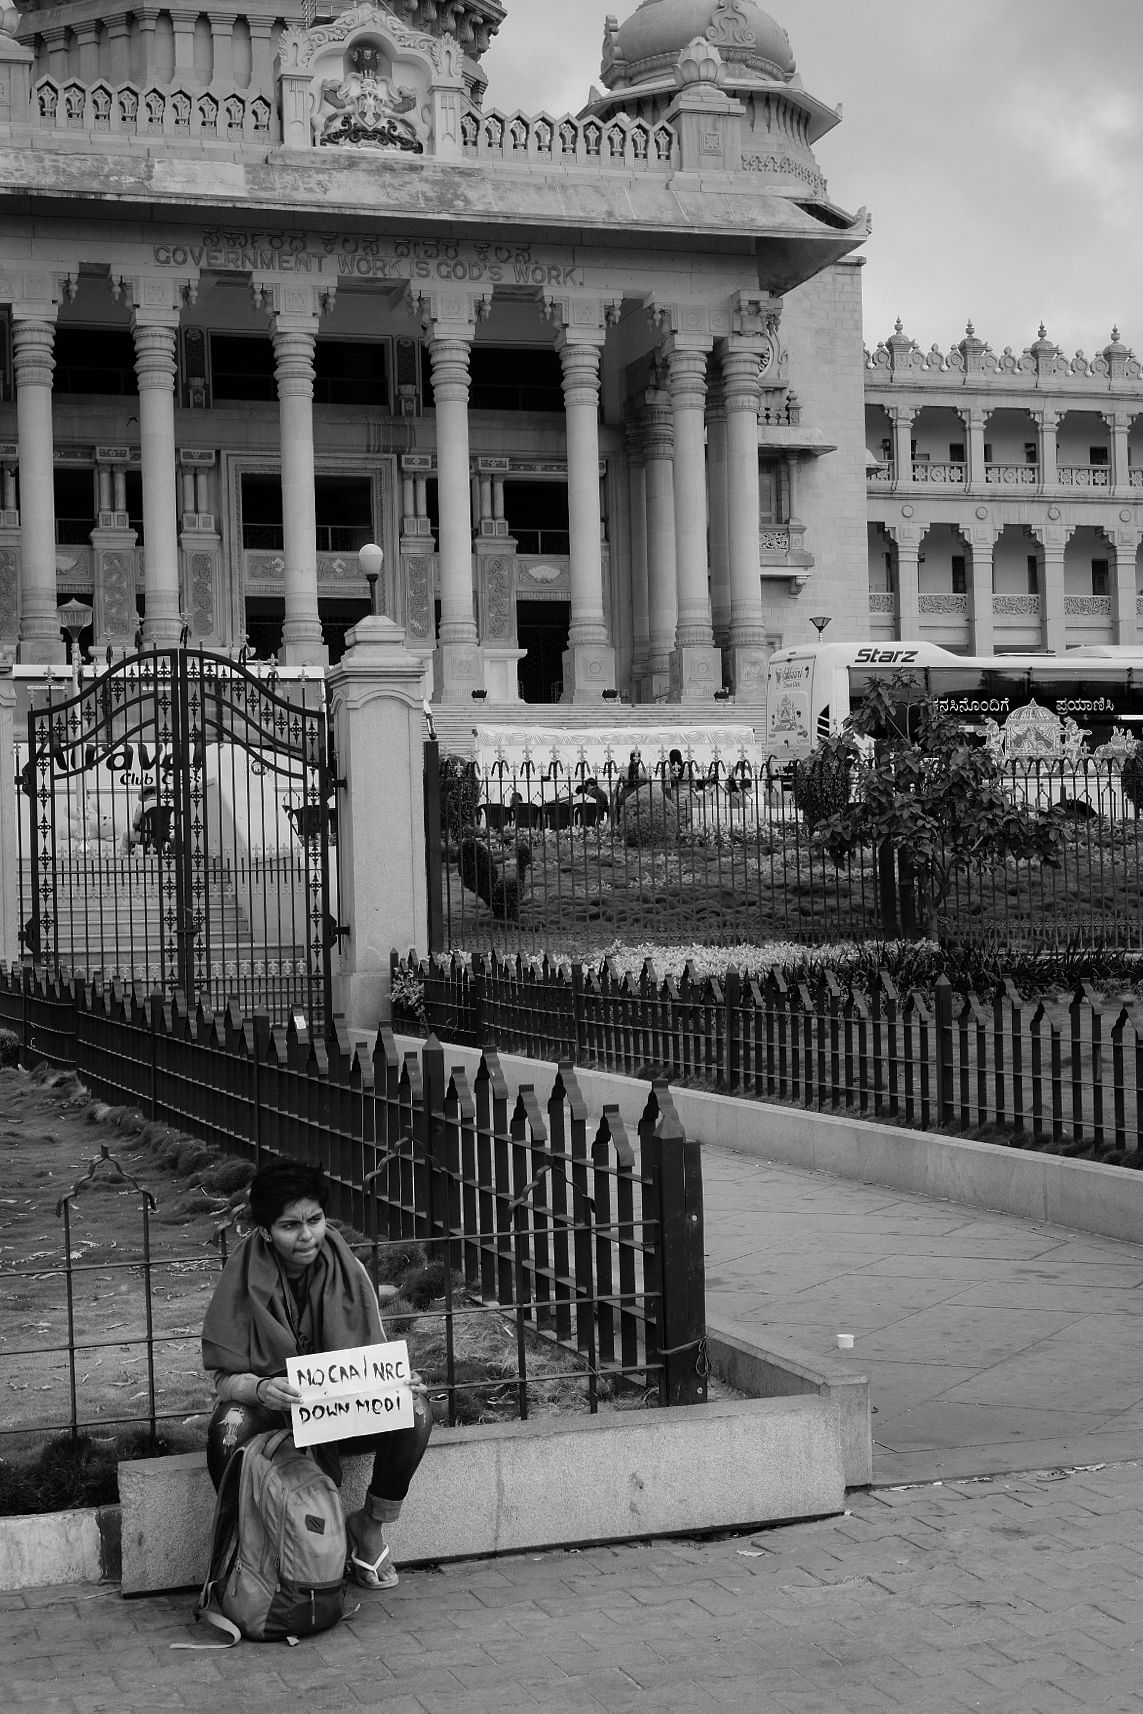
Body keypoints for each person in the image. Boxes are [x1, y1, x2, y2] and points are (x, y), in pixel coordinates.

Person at [201, 1159, 432, 1590]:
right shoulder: (242, 1277)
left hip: (337, 1410)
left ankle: (369, 1527)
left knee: (415, 1410)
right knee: (228, 1427)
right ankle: (250, 1552)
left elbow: (372, 1355)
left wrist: (400, 1380)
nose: (307, 1235)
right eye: (290, 1225)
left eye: (315, 1220)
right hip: (274, 1411)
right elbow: (223, 1381)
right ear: (266, 1231)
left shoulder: (347, 1268)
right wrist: (262, 1388)